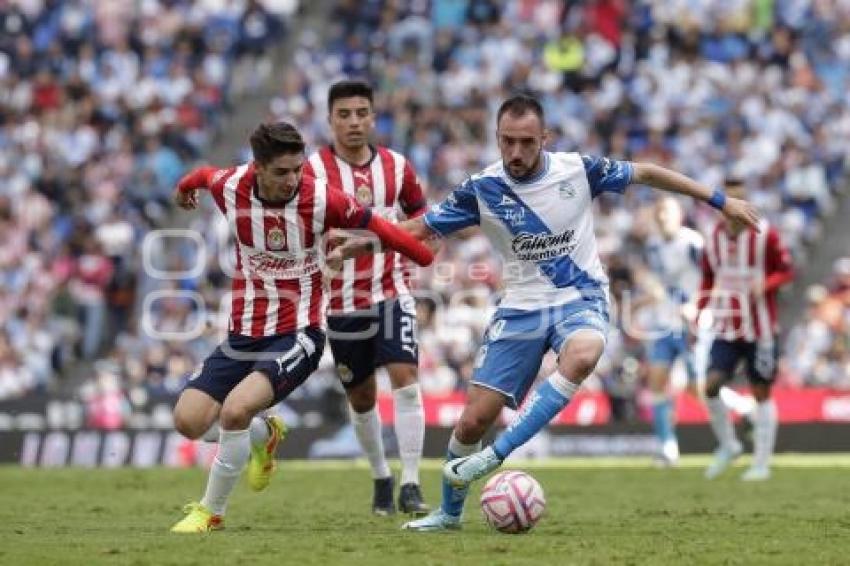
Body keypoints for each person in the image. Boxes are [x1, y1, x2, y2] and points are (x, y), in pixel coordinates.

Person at [384, 94, 759, 531]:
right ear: (497, 139)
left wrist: (720, 202)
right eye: (508, 142)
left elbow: (649, 173)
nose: (517, 152)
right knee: (471, 421)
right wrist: (365, 240)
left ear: (545, 138)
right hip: (520, 307)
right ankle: (449, 514)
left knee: (583, 355)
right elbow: (420, 227)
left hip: (579, 297)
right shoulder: (480, 188)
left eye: (527, 142)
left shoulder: (578, 170)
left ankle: (496, 455)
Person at [168, 122, 434, 533]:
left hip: (299, 334)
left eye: (297, 169)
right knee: (188, 421)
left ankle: (210, 512)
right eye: (282, 172)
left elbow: (381, 228)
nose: (294, 179)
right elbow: (204, 175)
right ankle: (263, 435)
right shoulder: (232, 185)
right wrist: (186, 186)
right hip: (243, 335)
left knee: (235, 410)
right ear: (257, 168)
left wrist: (421, 252)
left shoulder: (322, 197)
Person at [304, 80, 429, 516]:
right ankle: (381, 476)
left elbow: (422, 218)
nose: (354, 122)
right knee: (361, 399)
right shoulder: (311, 173)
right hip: (341, 304)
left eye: (361, 113)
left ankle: (411, 483)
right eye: (344, 114)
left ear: (373, 117)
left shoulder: (397, 167)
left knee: (406, 379)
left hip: (392, 291)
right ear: (330, 120)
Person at [697, 176, 794, 482]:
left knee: (761, 392)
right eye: (729, 200)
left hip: (761, 330)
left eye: (741, 199)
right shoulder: (712, 238)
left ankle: (761, 463)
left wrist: (766, 284)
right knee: (711, 386)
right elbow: (708, 279)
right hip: (726, 327)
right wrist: (699, 314)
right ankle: (729, 445)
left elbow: (788, 270)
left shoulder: (766, 236)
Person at [639, 197, 705, 466]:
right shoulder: (653, 245)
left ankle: (744, 409)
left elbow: (713, 277)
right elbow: (658, 280)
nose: (663, 217)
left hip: (690, 323)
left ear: (679, 216)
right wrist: (648, 291)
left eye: (667, 211)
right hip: (663, 323)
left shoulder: (693, 243)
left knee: (697, 389)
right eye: (659, 212)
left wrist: (696, 305)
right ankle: (668, 447)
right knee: (656, 382)